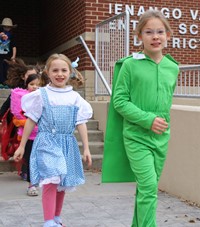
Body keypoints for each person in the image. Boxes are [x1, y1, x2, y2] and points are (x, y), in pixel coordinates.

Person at [102, 9, 180, 227]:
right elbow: (120, 101)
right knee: (148, 187)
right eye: (148, 32)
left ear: (168, 35)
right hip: (136, 136)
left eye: (160, 32)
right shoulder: (130, 65)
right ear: (139, 37)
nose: (155, 36)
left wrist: (159, 124)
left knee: (146, 189)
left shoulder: (172, 67)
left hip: (161, 136)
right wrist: (147, 120)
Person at [14, 53, 93, 227]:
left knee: (62, 182)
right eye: (55, 70)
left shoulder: (74, 97)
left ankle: (56, 218)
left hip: (66, 143)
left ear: (70, 72)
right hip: (46, 142)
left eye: (64, 70)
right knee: (51, 179)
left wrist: (86, 148)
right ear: (47, 73)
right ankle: (48, 221)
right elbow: (31, 119)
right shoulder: (41, 95)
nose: (60, 74)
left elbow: (81, 123)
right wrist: (21, 146)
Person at [0, 59, 39, 178]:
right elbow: (7, 105)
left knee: (28, 146)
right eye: (29, 76)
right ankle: (24, 168)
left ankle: (26, 169)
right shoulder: (17, 92)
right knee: (20, 145)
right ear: (24, 77)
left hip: (33, 124)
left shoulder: (38, 90)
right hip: (18, 123)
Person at [11, 73, 40, 196]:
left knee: (40, 160)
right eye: (32, 84)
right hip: (28, 136)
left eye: (38, 85)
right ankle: (31, 185)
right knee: (30, 160)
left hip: (43, 135)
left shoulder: (44, 97)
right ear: (26, 85)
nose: (35, 87)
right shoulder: (22, 98)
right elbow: (18, 114)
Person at [0, 18, 17, 85]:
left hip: (8, 56)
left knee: (7, 69)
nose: (7, 28)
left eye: (8, 27)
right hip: (0, 55)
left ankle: (6, 82)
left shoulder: (12, 36)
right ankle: (1, 82)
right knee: (0, 69)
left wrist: (13, 56)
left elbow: (14, 46)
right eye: (5, 27)